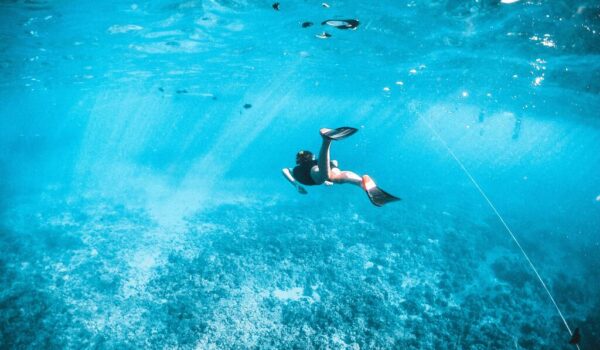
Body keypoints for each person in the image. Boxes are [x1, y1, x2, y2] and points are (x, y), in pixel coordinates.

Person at [282, 127, 400, 207]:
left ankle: (326, 141)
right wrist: (330, 169)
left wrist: (295, 185)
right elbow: (334, 162)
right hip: (319, 167)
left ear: (298, 160)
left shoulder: (297, 169)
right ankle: (360, 182)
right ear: (311, 157)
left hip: (310, 174)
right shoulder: (314, 162)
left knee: (324, 176)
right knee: (338, 176)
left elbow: (285, 170)